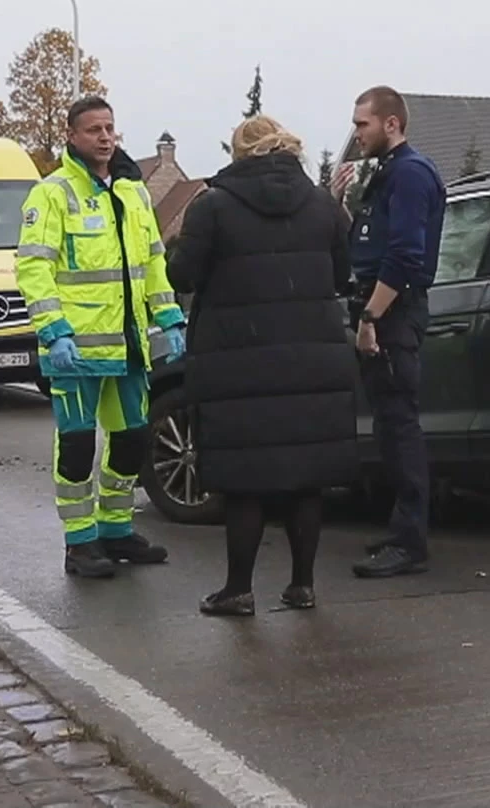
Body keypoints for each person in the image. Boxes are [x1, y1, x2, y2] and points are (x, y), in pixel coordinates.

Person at [168, 115, 359, 616]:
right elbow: (342, 275)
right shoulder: (323, 206)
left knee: (243, 478)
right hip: (312, 358)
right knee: (305, 477)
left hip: (238, 362)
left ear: (239, 153)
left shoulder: (213, 206)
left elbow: (181, 275)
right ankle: (302, 584)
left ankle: (238, 588)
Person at [16, 97, 187, 579]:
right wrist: (54, 331)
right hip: (75, 351)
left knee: (132, 439)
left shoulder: (133, 194)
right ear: (72, 136)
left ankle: (116, 529)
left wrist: (169, 317)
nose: (105, 137)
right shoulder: (52, 194)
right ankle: (80, 543)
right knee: (76, 447)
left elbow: (153, 261)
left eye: (110, 128)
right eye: (94, 129)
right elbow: (33, 267)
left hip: (129, 346)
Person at [346, 85, 445, 578]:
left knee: (400, 426)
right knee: (388, 424)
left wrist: (370, 318)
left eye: (362, 124)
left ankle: (410, 542)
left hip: (393, 312)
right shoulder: (388, 173)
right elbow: (372, 240)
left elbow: (405, 255)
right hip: (385, 306)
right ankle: (401, 528)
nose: (356, 133)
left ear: (391, 123)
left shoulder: (409, 173)